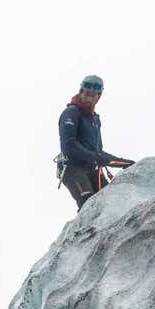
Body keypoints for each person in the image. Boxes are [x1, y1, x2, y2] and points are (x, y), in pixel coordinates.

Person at [58, 74, 135, 210]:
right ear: (80, 92)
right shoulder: (71, 113)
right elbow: (68, 147)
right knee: (90, 206)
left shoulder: (94, 119)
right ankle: (83, 231)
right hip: (73, 169)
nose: (89, 98)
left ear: (98, 97)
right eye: (86, 93)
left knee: (110, 203)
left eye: (93, 95)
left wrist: (122, 162)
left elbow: (97, 152)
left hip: (92, 169)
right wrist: (98, 158)